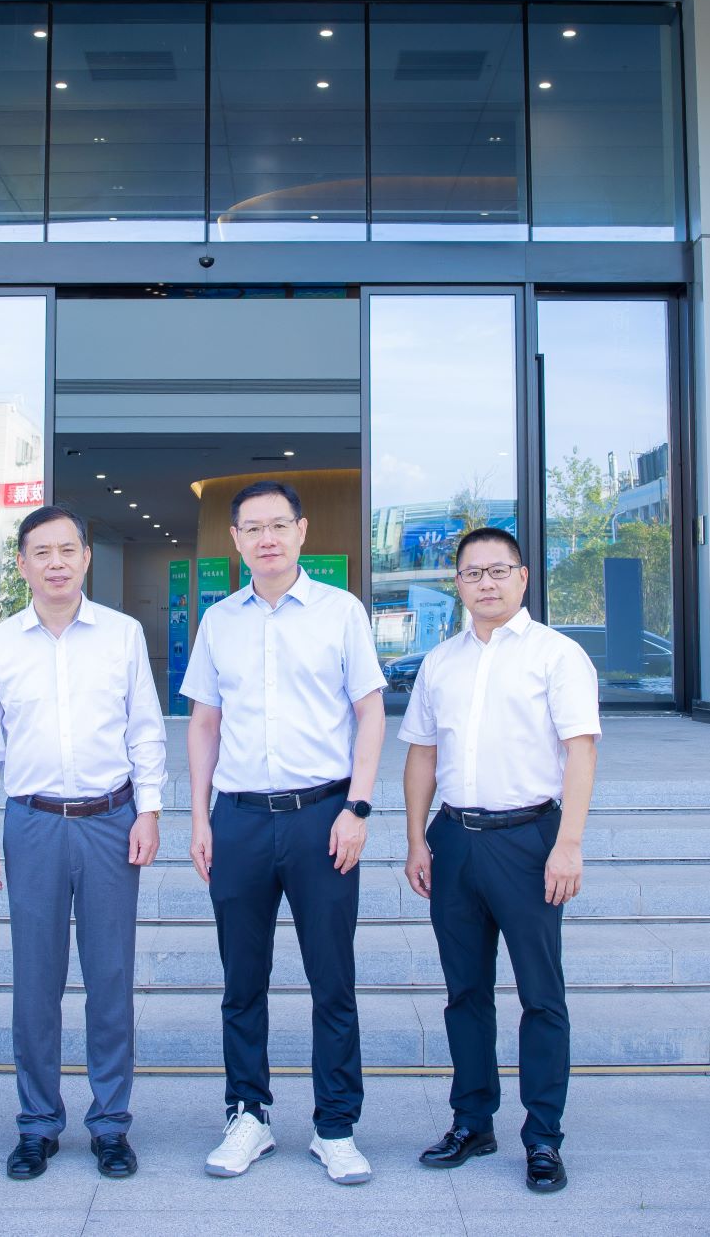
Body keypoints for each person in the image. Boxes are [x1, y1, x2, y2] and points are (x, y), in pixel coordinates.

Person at [180, 480, 387, 1185]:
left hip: (322, 817)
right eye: (252, 528)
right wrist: (200, 816)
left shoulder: (341, 611)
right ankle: (248, 1115)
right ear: (236, 540)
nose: (266, 539)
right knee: (242, 979)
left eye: (278, 525)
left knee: (332, 978)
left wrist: (357, 808)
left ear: (302, 531)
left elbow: (370, 712)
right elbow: (204, 722)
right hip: (238, 819)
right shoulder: (219, 621)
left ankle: (336, 1126)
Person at [0, 505, 167, 1182]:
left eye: (67, 550)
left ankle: (110, 1124)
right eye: (41, 552)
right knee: (35, 982)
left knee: (110, 979)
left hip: (111, 820)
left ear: (86, 558)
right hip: (33, 823)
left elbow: (146, 729)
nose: (55, 563)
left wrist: (149, 811)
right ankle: (37, 1123)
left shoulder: (122, 635)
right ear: (22, 564)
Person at [400, 526, 600, 1195]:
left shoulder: (557, 655)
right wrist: (416, 838)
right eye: (472, 573)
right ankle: (472, 1121)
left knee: (541, 996)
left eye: (497, 570)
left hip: (529, 840)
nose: (485, 582)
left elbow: (581, 752)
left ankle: (542, 1136)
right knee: (465, 993)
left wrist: (568, 843)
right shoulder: (440, 662)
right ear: (457, 583)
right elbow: (422, 753)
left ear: (522, 577)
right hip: (455, 839)